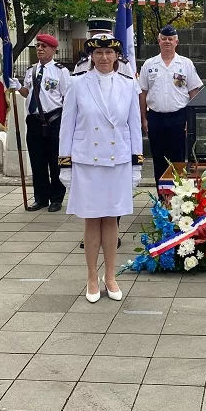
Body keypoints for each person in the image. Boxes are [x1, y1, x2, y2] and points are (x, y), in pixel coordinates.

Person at [59, 33, 143, 303]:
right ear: (91, 57)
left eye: (109, 53)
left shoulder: (128, 85)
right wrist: (65, 164)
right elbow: (67, 126)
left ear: (117, 56)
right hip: (88, 161)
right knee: (91, 219)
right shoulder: (77, 83)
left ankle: (110, 275)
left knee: (111, 219)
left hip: (117, 160)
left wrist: (136, 164)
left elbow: (134, 127)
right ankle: (92, 277)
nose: (104, 58)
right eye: (98, 53)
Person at [12, 33, 71, 212]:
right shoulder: (31, 70)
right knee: (37, 162)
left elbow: (66, 98)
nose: (39, 49)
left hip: (54, 119)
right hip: (34, 120)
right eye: (38, 46)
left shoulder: (60, 71)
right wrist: (18, 87)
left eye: (44, 46)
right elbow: (27, 93)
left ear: (53, 49)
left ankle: (56, 198)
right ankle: (41, 198)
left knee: (55, 161)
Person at [139, 24, 204, 187]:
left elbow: (194, 92)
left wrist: (190, 119)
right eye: (164, 39)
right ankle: (161, 198)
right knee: (158, 160)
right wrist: (143, 118)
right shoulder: (149, 64)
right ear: (159, 41)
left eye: (170, 39)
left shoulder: (185, 64)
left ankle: (178, 197)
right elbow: (142, 93)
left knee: (178, 160)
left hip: (179, 118)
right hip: (155, 118)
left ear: (176, 42)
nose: (167, 42)